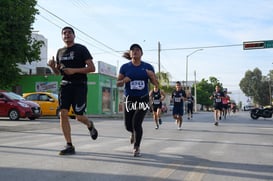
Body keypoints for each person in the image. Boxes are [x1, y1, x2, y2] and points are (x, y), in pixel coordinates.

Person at [47, 26, 98, 155]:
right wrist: (53, 67)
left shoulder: (81, 49)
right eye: (64, 33)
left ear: (74, 35)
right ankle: (69, 145)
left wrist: (74, 70)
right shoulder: (59, 52)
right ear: (62, 36)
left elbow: (92, 68)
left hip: (79, 85)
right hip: (65, 85)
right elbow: (58, 73)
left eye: (69, 33)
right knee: (62, 113)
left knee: (79, 116)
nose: (67, 35)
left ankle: (89, 124)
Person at [117, 43, 159, 157]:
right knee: (128, 126)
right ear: (130, 54)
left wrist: (152, 76)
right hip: (129, 99)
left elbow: (157, 84)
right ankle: (133, 134)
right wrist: (124, 80)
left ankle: (136, 147)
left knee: (136, 123)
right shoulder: (125, 67)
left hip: (143, 99)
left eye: (137, 50)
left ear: (141, 53)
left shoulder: (148, 67)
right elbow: (118, 83)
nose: (135, 51)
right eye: (132, 50)